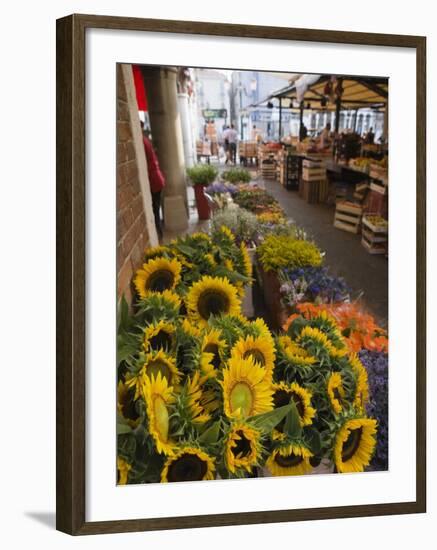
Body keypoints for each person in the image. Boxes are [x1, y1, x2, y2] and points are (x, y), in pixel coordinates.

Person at [140, 122, 165, 239]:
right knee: (156, 210)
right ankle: (159, 235)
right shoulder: (144, 140)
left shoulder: (141, 141)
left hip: (154, 180)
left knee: (154, 211)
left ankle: (159, 237)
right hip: (156, 179)